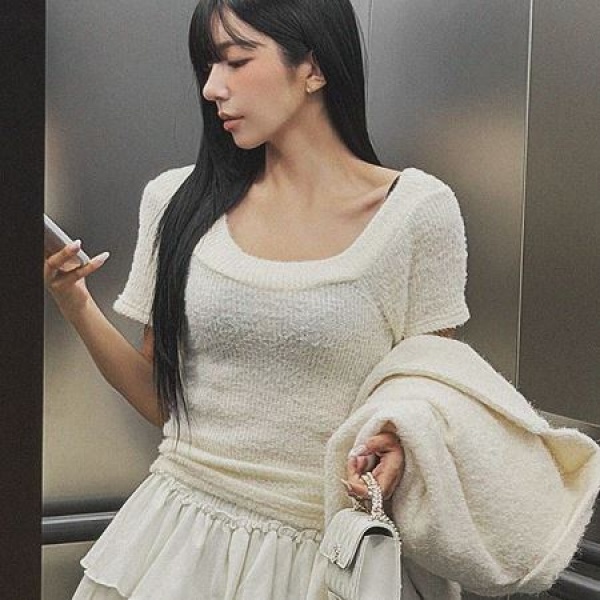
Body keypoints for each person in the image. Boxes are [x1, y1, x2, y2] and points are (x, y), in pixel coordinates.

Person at [44, 1, 470, 598]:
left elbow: (433, 403)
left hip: (332, 557)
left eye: (237, 61)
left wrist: (400, 445)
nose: (212, 87)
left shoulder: (417, 213)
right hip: (177, 544)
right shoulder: (176, 201)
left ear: (313, 68)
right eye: (207, 66)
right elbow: (163, 403)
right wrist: (76, 304)